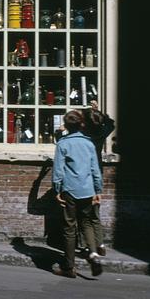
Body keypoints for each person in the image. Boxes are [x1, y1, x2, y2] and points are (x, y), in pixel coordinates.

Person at [52, 110, 104, 278]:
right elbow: (95, 169)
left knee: (69, 228)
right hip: (87, 189)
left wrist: (57, 189)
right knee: (87, 222)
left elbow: (58, 170)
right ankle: (94, 254)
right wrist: (98, 190)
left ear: (66, 126)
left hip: (70, 189)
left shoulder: (63, 143)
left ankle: (68, 267)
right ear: (81, 124)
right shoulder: (89, 144)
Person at [79, 101, 115, 259]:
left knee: (82, 213)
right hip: (96, 174)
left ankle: (87, 245)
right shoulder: (100, 133)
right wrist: (97, 110)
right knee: (94, 212)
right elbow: (111, 123)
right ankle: (100, 244)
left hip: (82, 174)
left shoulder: (81, 135)